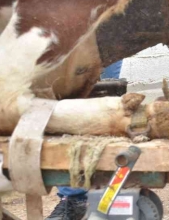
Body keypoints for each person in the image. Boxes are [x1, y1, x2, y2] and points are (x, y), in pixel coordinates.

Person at [47, 60, 124, 220]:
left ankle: (105, 196)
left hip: (108, 39)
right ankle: (73, 199)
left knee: (107, 104)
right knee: (69, 110)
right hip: (70, 41)